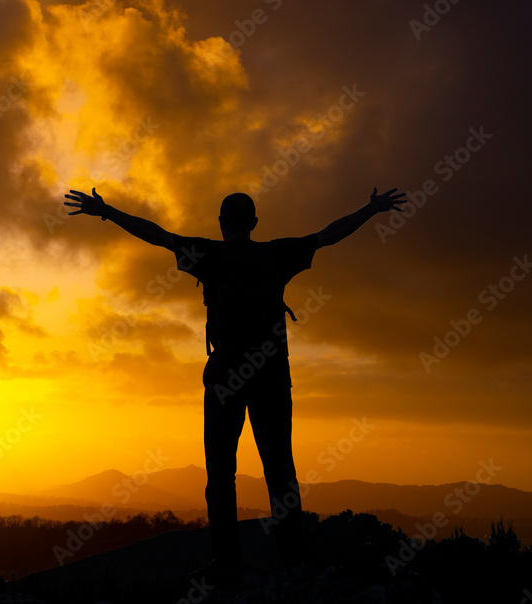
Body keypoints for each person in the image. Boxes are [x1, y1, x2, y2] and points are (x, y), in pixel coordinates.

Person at [63, 186, 407, 577]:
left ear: (222, 224)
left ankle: (226, 564)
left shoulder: (209, 255)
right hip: (272, 375)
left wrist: (107, 211)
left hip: (226, 376)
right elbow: (329, 234)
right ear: (255, 223)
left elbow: (157, 235)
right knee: (280, 469)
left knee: (221, 473)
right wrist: (371, 207)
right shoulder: (277, 253)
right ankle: (293, 559)